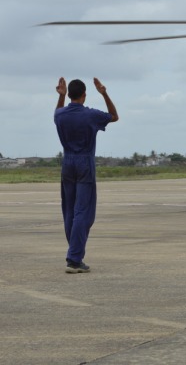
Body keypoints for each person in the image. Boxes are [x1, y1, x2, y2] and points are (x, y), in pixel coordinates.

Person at [54, 77, 119, 273]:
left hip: (67, 163)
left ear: (69, 94)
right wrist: (104, 93)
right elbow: (114, 116)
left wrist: (61, 97)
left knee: (69, 211)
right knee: (83, 212)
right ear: (84, 95)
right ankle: (74, 259)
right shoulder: (90, 115)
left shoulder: (60, 114)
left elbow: (57, 112)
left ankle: (75, 252)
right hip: (84, 163)